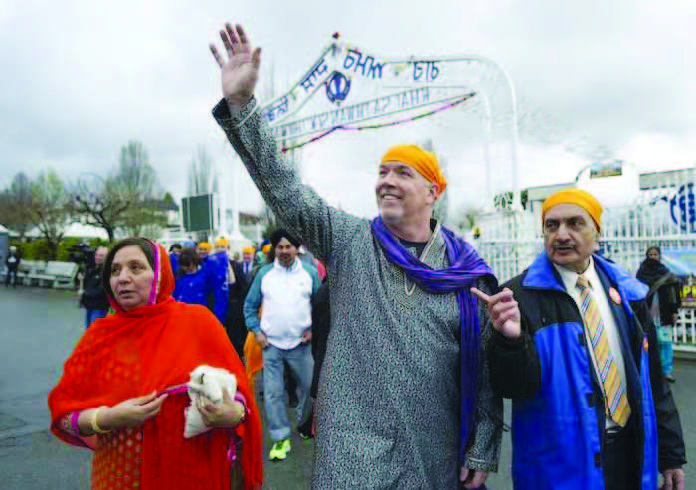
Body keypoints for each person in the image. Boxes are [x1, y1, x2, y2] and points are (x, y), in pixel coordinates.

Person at [209, 24, 502, 488]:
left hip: (433, 447)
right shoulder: (349, 241)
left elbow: (483, 368)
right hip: (352, 446)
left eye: (401, 172)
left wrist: (482, 446)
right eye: (381, 172)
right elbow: (284, 188)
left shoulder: (467, 273)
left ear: (433, 192)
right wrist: (243, 107)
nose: (385, 180)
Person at [479, 189, 686, 490]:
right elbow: (513, 387)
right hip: (560, 467)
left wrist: (670, 456)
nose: (561, 234)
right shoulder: (517, 297)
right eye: (552, 225)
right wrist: (509, 342)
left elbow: (653, 380)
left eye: (574, 223)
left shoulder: (627, 292)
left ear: (597, 233)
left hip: (630, 453)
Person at [48, 237, 263, 489]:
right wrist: (107, 418)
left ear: (160, 274)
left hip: (190, 476)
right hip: (120, 477)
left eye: (136, 267)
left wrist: (231, 415)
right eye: (115, 270)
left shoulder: (197, 323)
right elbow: (64, 416)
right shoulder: (99, 337)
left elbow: (240, 400)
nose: (123, 278)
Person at [243, 229, 320, 462]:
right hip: (271, 346)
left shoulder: (309, 272)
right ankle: (280, 437)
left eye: (288, 247)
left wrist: (313, 329)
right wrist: (256, 331)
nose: (284, 251)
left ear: (296, 248)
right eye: (280, 247)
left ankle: (304, 425)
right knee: (274, 394)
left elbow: (320, 305)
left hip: (302, 345)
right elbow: (249, 306)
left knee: (308, 390)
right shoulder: (264, 274)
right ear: (274, 249)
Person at [637, 246, 682, 383]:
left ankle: (666, 371)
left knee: (666, 342)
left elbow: (674, 294)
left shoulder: (665, 273)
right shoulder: (642, 273)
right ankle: (651, 373)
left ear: (660, 256)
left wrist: (674, 311)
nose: (653, 257)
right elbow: (637, 294)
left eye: (655, 254)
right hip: (647, 314)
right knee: (648, 343)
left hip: (664, 313)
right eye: (650, 254)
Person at [174, 248, 229, 325]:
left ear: (195, 262)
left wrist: (218, 318)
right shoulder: (179, 277)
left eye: (189, 265)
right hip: (183, 318)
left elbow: (218, 295)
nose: (186, 269)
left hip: (202, 316)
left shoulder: (207, 275)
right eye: (184, 266)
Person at [228, 246, 257, 357]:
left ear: (253, 255)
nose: (246, 256)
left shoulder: (257, 267)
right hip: (240, 301)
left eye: (248, 254)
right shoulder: (238, 266)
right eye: (245, 254)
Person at [79, 246, 110, 327]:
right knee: (88, 330)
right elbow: (88, 284)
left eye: (101, 256)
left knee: (94, 331)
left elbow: (102, 290)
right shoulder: (94, 268)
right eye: (96, 255)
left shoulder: (108, 271)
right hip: (90, 305)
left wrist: (86, 293)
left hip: (99, 306)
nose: (97, 257)